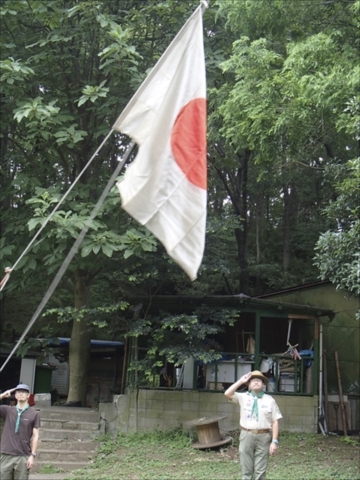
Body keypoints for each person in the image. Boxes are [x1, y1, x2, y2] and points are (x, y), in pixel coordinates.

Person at [224, 370, 282, 480]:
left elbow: (275, 421)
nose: (256, 382)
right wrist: (241, 381)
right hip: (246, 434)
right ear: (249, 384)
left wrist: (274, 442)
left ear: (263, 384)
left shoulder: (270, 400)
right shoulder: (243, 397)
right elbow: (227, 393)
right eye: (253, 381)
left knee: (260, 470)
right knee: (246, 469)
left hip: (263, 436)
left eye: (259, 380)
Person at [0, 384, 40, 480]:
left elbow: (36, 436)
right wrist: (2, 395)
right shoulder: (8, 410)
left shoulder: (34, 414)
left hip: (23, 456)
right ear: (16, 395)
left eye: (24, 392)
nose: (21, 393)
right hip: (6, 454)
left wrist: (32, 455)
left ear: (28, 395)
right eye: (18, 392)